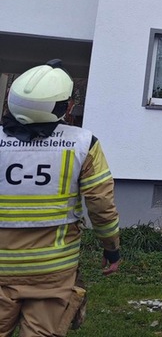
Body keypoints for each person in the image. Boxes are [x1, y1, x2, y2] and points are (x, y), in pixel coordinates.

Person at [0, 59, 121, 337]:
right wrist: (111, 248)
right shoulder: (83, 144)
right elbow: (101, 205)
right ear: (65, 107)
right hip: (52, 272)